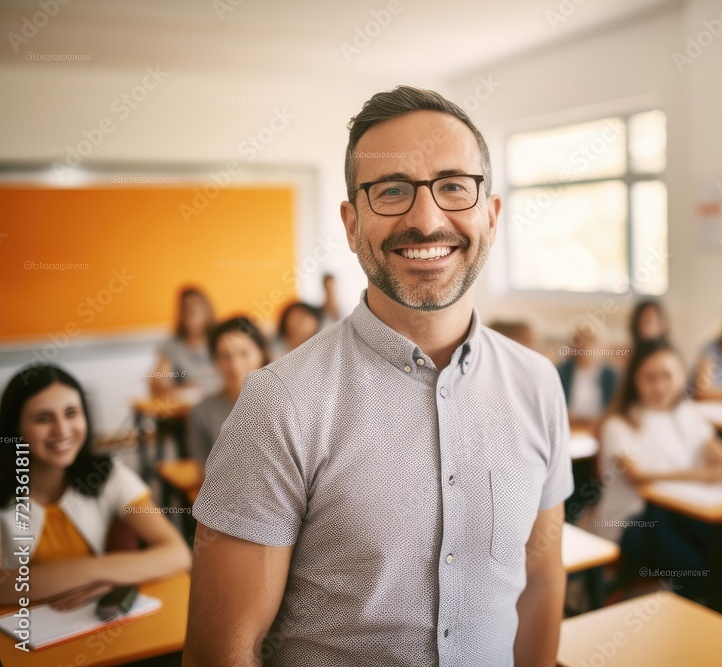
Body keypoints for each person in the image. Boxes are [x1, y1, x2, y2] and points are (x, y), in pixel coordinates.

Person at [185, 86, 573, 667]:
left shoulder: (538, 383)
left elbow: (540, 579)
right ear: (351, 222)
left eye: (453, 186)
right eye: (391, 190)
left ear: (490, 215)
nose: (425, 218)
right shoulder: (279, 404)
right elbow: (222, 655)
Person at [0, 365, 191, 610]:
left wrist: (99, 571)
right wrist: (106, 571)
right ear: (15, 427)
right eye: (42, 418)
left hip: (87, 621)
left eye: (71, 413)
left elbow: (177, 554)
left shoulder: (107, 473)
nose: (62, 430)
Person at [592, 340, 722, 597]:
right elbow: (638, 476)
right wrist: (703, 476)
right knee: (698, 570)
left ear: (681, 376)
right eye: (649, 378)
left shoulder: (685, 412)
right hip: (635, 519)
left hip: (686, 510)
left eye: (667, 376)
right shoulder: (618, 423)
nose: (659, 386)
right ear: (634, 380)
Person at [187, 317, 269, 465]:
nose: (235, 366)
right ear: (215, 361)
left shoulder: (284, 404)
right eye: (225, 357)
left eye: (244, 353)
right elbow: (203, 472)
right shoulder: (203, 411)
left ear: (262, 353)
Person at [150, 286, 220, 399]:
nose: (191, 311)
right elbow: (158, 384)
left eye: (196, 306)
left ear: (207, 309)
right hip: (187, 406)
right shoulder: (172, 346)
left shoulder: (221, 341)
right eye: (186, 308)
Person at [556, 326, 619, 427]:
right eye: (580, 341)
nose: (586, 346)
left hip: (600, 429)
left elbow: (616, 410)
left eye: (592, 341)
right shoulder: (561, 372)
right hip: (568, 428)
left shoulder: (612, 376)